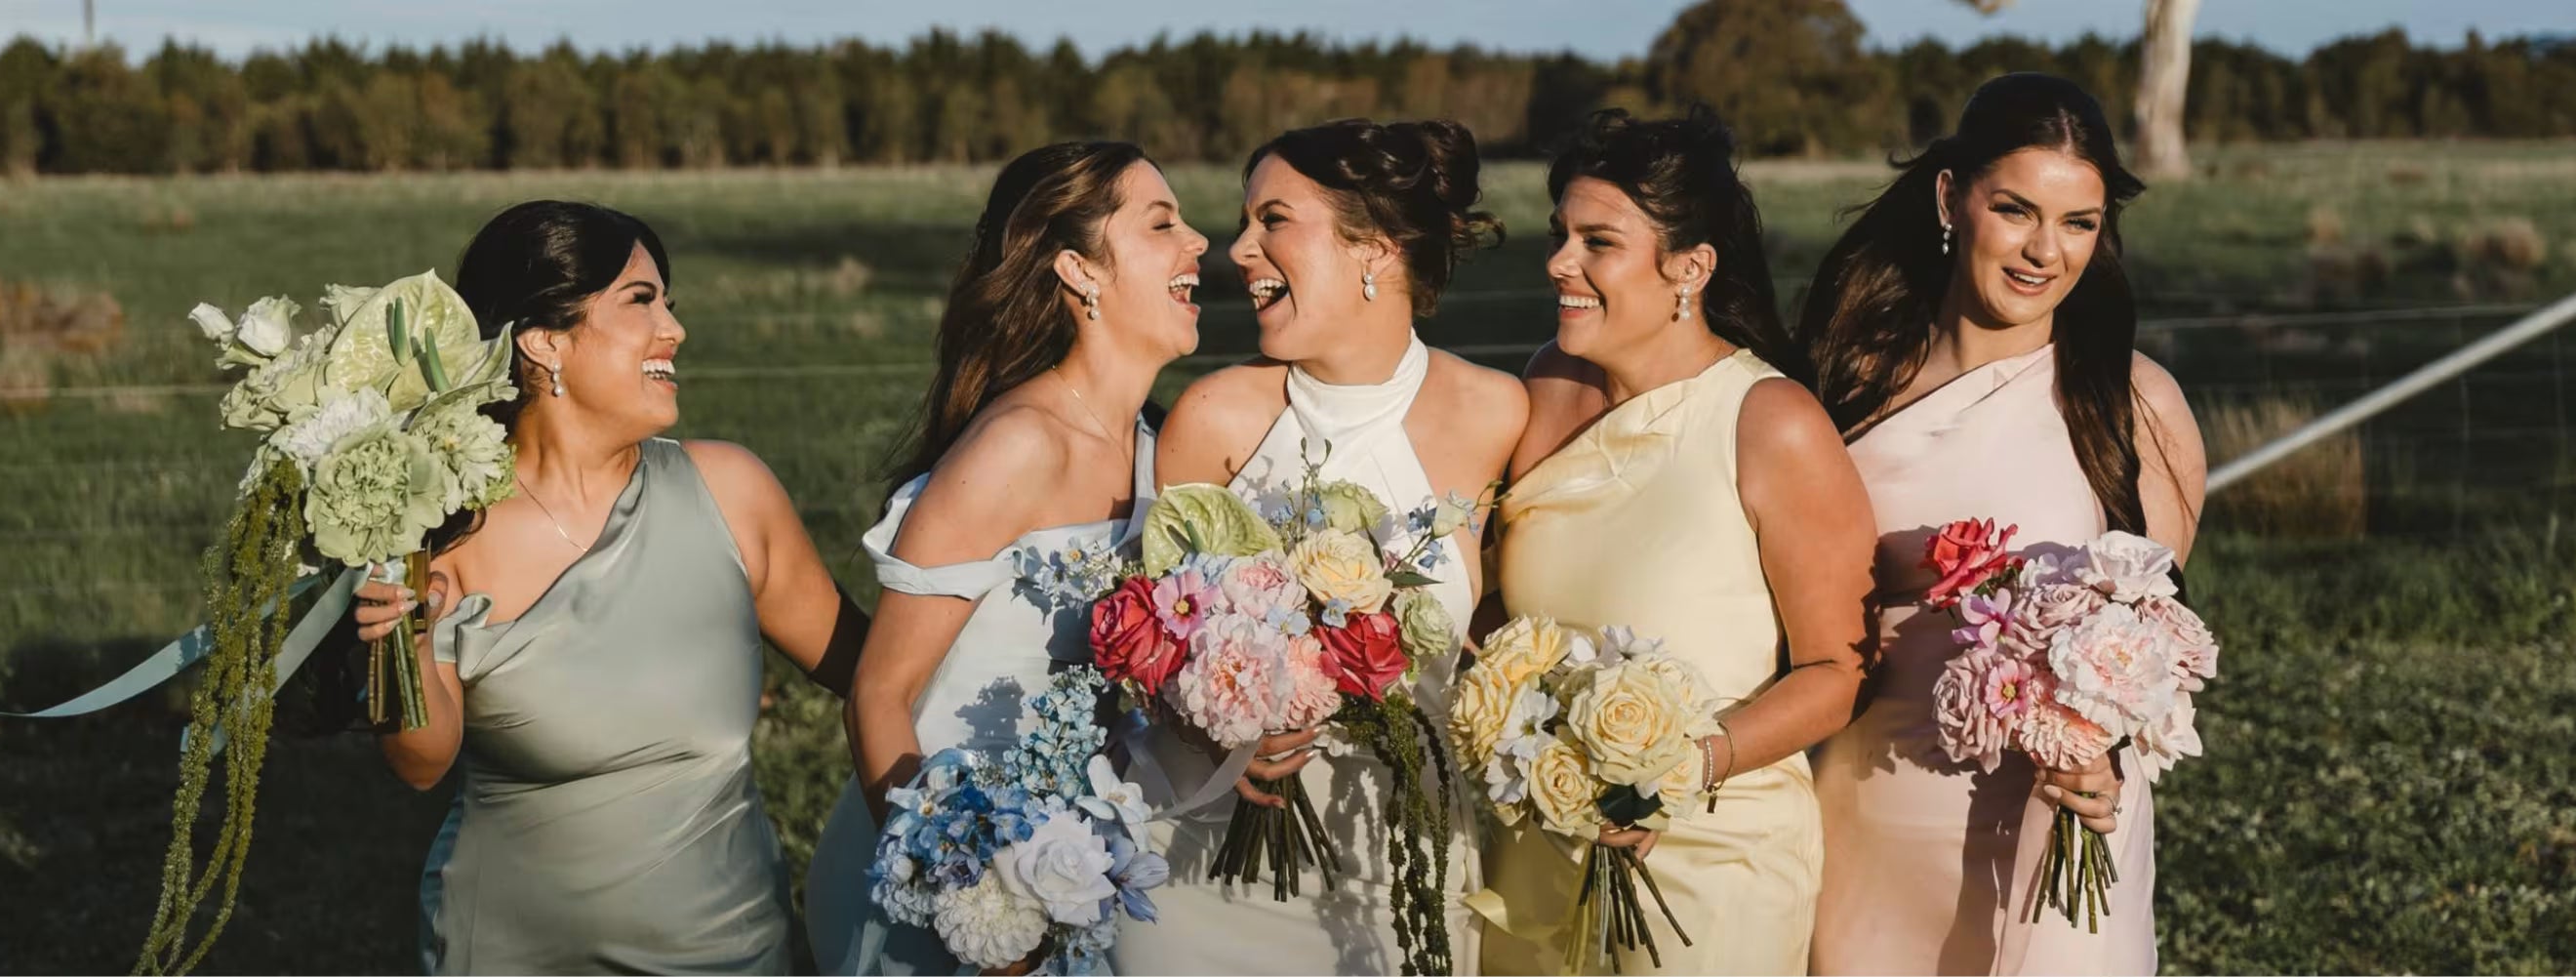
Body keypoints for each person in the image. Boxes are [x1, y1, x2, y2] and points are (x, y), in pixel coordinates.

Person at [353, 199, 870, 974]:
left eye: (668, 302)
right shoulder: (444, 533)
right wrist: (403, 642)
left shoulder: (730, 493)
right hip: (507, 951)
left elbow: (877, 671)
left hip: (726, 950)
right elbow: (422, 761)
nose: (674, 329)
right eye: (641, 301)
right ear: (544, 340)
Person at [1798, 74, 2206, 976]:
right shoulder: (1840, 387)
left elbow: (2155, 651)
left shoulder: (2136, 406)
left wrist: (2105, 758)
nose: (2043, 252)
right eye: (2016, 210)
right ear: (1953, 198)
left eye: (2078, 223)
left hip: (2057, 820)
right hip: (1870, 806)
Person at [1110, 118, 1527, 976]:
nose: (1237, 249)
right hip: (1204, 870)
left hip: (1399, 879)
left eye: (1273, 220)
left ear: (1373, 247)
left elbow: (1504, 625)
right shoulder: (1216, 419)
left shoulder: (1497, 415)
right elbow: (1141, 654)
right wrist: (1218, 723)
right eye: (1245, 222)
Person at [1478, 105, 1876, 975]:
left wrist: (1680, 769)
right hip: (1538, 841)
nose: (1559, 262)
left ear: (1690, 267)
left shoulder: (1771, 423)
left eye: (1597, 242)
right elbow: (1496, 601)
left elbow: (1837, 670)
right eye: (1560, 235)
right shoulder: (1547, 383)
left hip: (1709, 859)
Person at [801, 141, 1209, 974]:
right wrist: (974, 903)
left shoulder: (1153, 449)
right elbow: (879, 695)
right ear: (1079, 270)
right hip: (943, 886)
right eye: (1162, 223)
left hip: (1074, 875)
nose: (1198, 241)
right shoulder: (1017, 446)